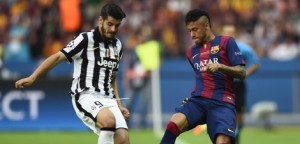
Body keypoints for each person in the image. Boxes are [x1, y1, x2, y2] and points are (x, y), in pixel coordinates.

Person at [15, 3, 130, 144]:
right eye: (110, 24)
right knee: (109, 121)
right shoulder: (85, 39)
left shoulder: (117, 46)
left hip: (108, 98)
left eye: (117, 26)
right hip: (86, 95)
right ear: (100, 20)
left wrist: (118, 104)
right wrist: (33, 77)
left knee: (123, 140)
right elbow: (57, 57)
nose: (113, 29)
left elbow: (112, 77)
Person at [160, 9, 246, 144]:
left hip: (222, 102)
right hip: (198, 101)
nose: (192, 35)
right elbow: (202, 78)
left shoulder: (226, 42)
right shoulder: (191, 52)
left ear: (206, 25)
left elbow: (242, 72)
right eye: (189, 31)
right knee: (172, 126)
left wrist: (221, 66)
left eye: (195, 29)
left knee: (223, 142)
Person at [222, 25, 260, 144]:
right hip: (223, 85)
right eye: (227, 33)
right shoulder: (217, 48)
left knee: (239, 113)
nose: (229, 35)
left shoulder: (243, 48)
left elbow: (255, 63)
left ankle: (236, 135)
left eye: (231, 33)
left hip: (238, 86)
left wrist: (246, 73)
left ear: (235, 34)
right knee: (223, 111)